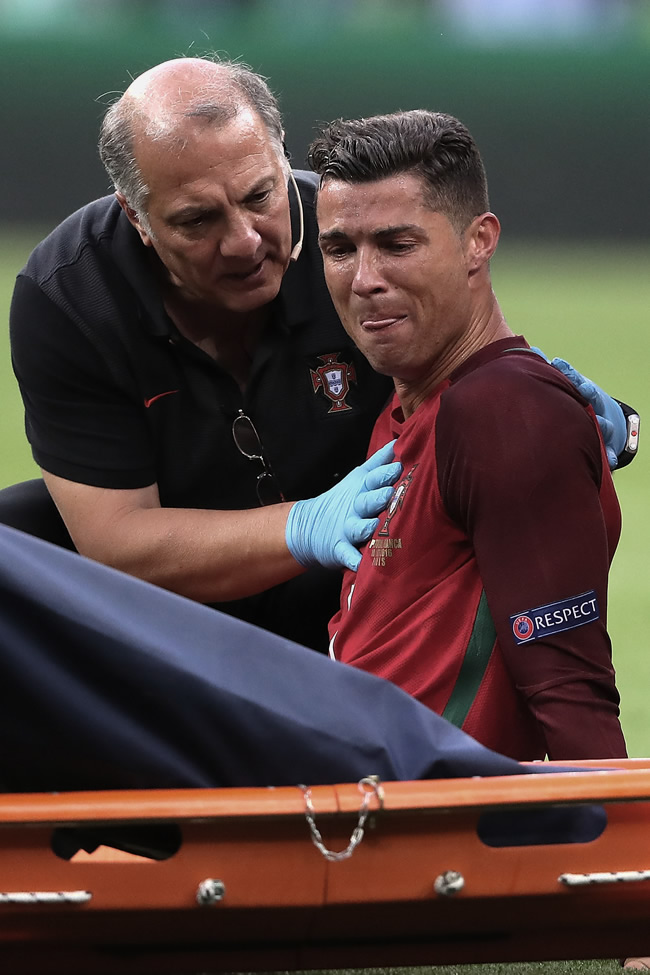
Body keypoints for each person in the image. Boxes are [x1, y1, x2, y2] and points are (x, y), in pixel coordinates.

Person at [5, 56, 635, 655]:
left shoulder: (350, 246)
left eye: (260, 196)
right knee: (17, 533)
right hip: (175, 615)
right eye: (198, 221)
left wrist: (578, 415)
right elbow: (116, 543)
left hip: (366, 576)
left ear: (283, 162)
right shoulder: (69, 298)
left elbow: (474, 380)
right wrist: (301, 526)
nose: (244, 241)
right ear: (136, 218)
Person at [309, 110, 628, 764]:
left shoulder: (503, 409)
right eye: (340, 249)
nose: (364, 279)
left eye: (397, 245)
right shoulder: (404, 407)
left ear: (479, 241)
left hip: (423, 845)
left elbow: (571, 692)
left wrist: (615, 857)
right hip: (351, 824)